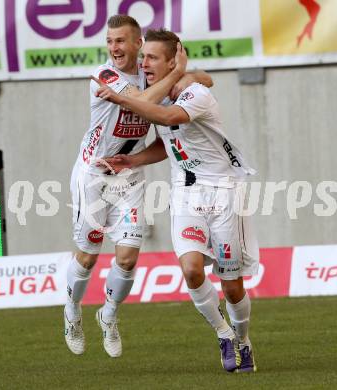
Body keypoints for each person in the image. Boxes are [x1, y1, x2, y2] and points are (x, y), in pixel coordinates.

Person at [94, 29, 259, 373]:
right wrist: (133, 160)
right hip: (185, 194)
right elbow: (166, 141)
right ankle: (223, 333)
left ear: (173, 61)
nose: (144, 63)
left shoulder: (194, 93)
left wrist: (121, 99)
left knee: (231, 287)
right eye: (144, 57)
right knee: (191, 269)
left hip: (224, 194)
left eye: (152, 57)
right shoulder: (157, 92)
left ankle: (243, 340)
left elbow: (170, 118)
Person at [65, 15, 212, 358]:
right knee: (87, 256)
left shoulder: (151, 78)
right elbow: (144, 101)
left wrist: (184, 76)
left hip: (128, 176)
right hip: (93, 174)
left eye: (120, 41)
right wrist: (176, 74)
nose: (114, 47)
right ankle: (71, 310)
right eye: (109, 41)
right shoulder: (105, 76)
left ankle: (109, 315)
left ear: (137, 44)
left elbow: (204, 82)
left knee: (128, 258)